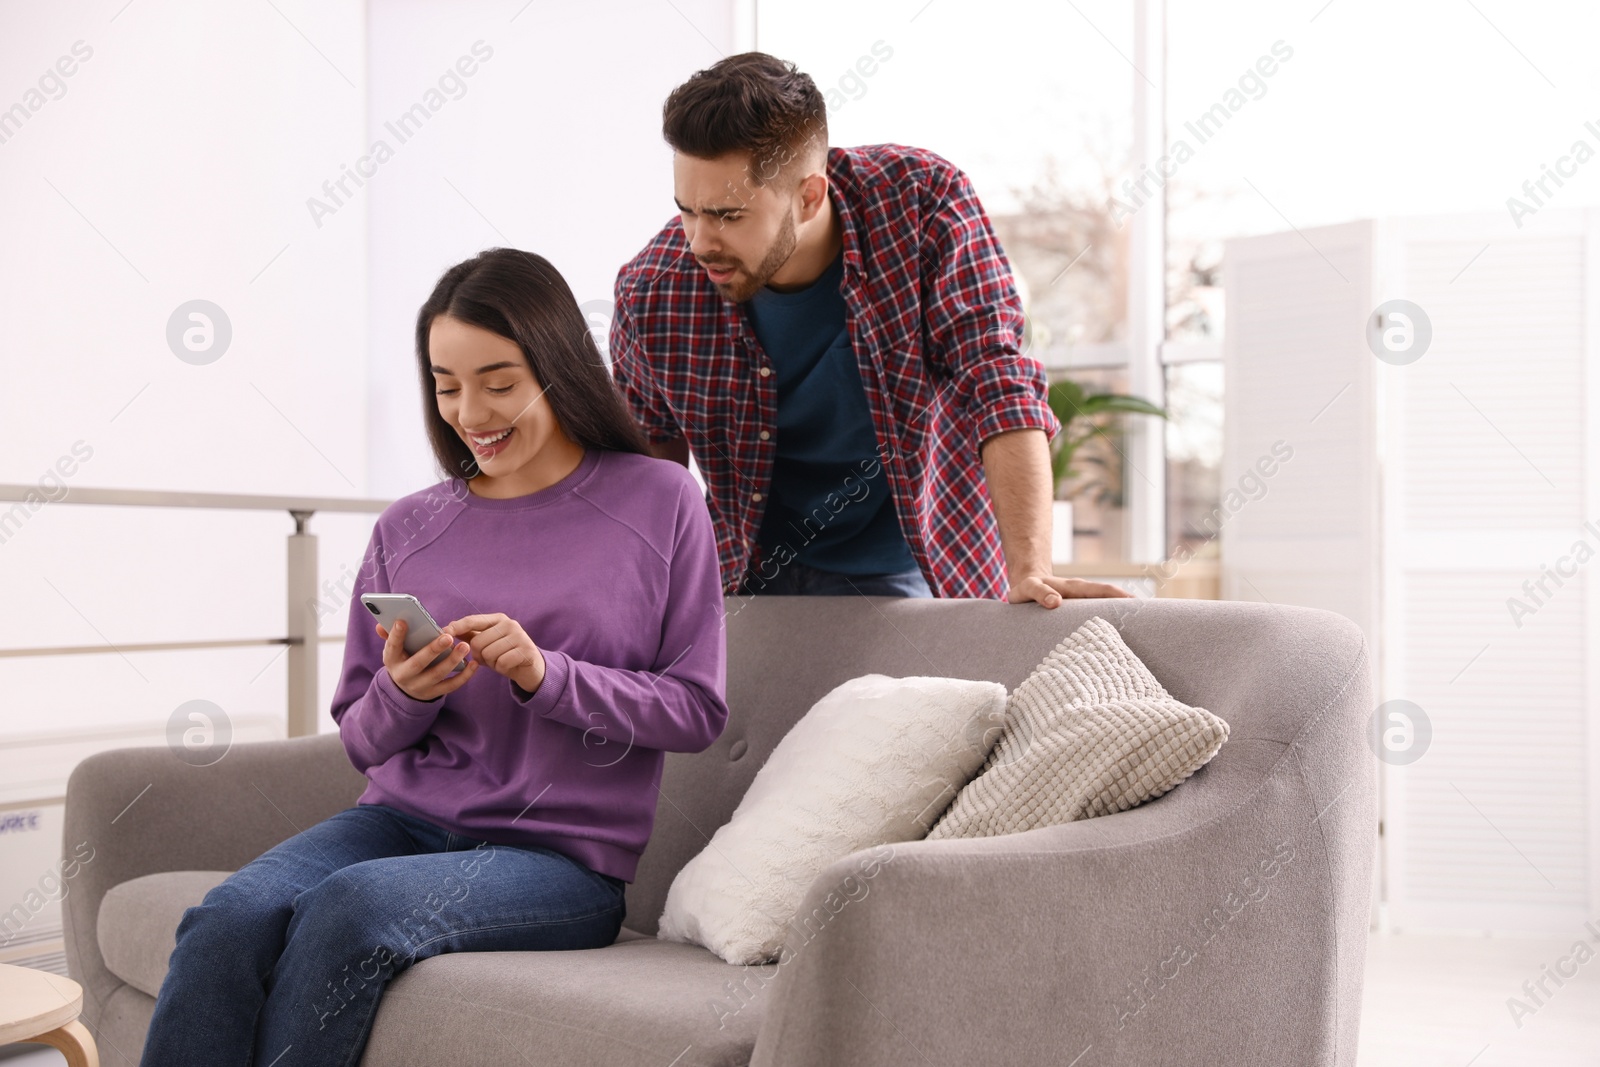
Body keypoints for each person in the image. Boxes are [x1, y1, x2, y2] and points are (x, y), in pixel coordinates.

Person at [139, 248, 729, 1067]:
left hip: (559, 860)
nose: (470, 411)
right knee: (226, 916)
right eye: (446, 384)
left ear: (557, 368)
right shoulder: (408, 526)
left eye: (497, 381)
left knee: (347, 908)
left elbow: (696, 709)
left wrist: (545, 674)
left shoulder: (660, 500)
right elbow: (359, 736)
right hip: (397, 821)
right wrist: (406, 693)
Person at [609, 51, 1130, 607]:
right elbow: (645, 460)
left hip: (913, 566)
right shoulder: (653, 289)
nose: (699, 241)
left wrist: (1031, 569)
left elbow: (997, 383)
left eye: (728, 215)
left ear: (810, 195)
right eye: (688, 210)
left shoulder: (923, 205)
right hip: (746, 573)